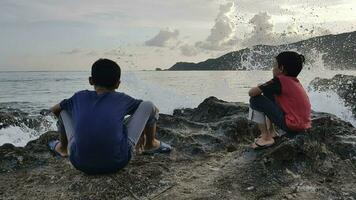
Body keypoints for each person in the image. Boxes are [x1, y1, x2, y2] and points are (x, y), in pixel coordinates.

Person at [48, 58, 172, 174]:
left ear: (90, 80)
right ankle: (150, 144)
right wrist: (141, 133)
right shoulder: (122, 99)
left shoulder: (79, 97)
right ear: (118, 84)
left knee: (63, 111)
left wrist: (81, 127)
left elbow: (54, 110)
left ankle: (63, 148)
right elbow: (148, 110)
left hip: (79, 162)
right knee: (149, 105)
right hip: (118, 162)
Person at [248, 51, 311, 150]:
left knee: (255, 100)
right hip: (303, 124)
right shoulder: (294, 82)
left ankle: (266, 137)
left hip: (291, 125)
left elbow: (251, 93)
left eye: (274, 65)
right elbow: (266, 89)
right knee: (267, 90)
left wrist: (258, 87)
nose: (272, 69)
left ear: (281, 68)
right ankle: (271, 131)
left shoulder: (279, 80)